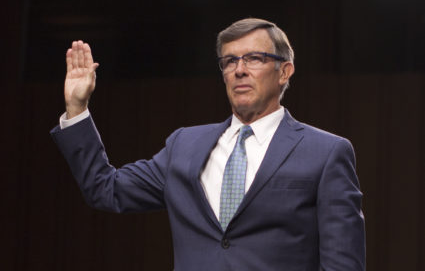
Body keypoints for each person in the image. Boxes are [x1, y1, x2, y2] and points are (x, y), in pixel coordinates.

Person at [51, 18, 365, 270]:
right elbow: (105, 188)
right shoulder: (184, 145)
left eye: (254, 58)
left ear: (284, 71)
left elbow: (343, 264)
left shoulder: (326, 152)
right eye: (229, 61)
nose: (239, 69)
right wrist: (77, 109)